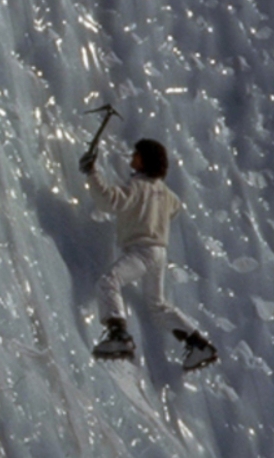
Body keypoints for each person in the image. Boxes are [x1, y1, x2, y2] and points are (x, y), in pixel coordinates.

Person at [79, 139, 218, 371]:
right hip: (159, 252)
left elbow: (109, 201)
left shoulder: (138, 185)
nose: (132, 158)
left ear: (145, 159)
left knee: (109, 282)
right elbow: (175, 207)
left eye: (137, 154)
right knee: (157, 305)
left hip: (141, 250)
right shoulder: (166, 193)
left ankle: (118, 335)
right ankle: (198, 344)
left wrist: (92, 173)